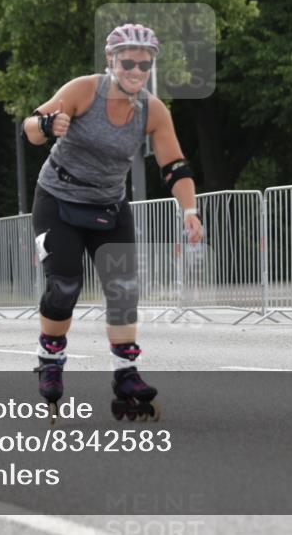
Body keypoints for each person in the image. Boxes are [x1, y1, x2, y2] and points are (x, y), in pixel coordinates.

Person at [21, 23, 203, 422]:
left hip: (108, 206)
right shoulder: (84, 90)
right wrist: (48, 126)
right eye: (128, 63)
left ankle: (126, 375)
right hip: (58, 200)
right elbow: (30, 128)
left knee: (123, 290)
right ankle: (50, 358)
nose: (136, 71)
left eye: (144, 65)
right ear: (111, 60)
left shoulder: (153, 110)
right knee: (64, 284)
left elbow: (175, 166)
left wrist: (189, 212)